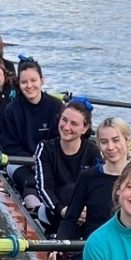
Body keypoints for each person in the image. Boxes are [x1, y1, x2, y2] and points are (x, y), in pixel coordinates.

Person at [54, 116, 131, 248]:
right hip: (94, 249)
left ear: (128, 140)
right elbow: (70, 219)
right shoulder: (88, 177)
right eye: (104, 142)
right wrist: (56, 246)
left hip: (128, 247)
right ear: (99, 145)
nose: (110, 147)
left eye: (116, 140)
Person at [0, 59, 63, 200]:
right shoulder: (11, 110)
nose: (29, 86)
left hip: (50, 161)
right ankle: (34, 208)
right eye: (24, 82)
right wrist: (32, 161)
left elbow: (61, 140)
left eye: (33, 80)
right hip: (21, 162)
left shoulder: (56, 106)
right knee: (31, 182)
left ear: (42, 80)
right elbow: (10, 147)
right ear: (19, 85)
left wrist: (44, 161)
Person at [34, 101, 100, 236]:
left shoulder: (93, 152)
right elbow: (44, 188)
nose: (66, 127)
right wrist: (63, 210)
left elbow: (98, 189)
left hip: (84, 213)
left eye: (74, 124)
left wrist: (86, 210)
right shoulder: (45, 148)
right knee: (71, 190)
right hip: (54, 210)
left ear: (85, 128)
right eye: (64, 120)